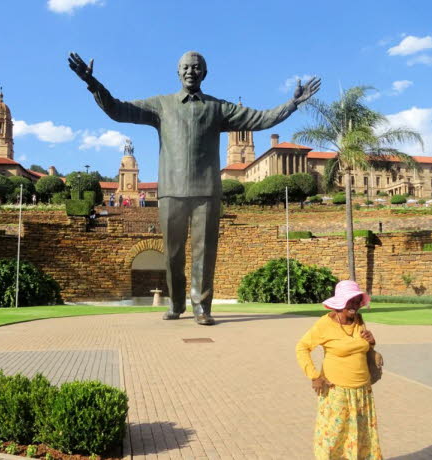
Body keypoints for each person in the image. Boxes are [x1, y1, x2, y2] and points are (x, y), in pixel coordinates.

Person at [68, 51, 320, 325]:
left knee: (204, 253)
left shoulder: (217, 107)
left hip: (206, 191)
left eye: (196, 67)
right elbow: (117, 110)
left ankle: (201, 307)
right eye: (185, 67)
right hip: (171, 190)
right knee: (173, 254)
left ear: (204, 73)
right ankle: (176, 303)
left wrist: (292, 104)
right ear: (178, 72)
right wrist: (92, 83)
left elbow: (260, 119)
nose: (191, 71)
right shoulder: (161, 105)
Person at [296, 280, 382, 460]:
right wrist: (314, 376)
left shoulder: (358, 320)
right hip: (337, 391)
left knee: (362, 435)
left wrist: (371, 342)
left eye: (357, 301)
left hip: (362, 391)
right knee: (333, 437)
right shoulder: (324, 324)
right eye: (350, 301)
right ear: (339, 304)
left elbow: (360, 347)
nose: (354, 306)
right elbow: (302, 347)